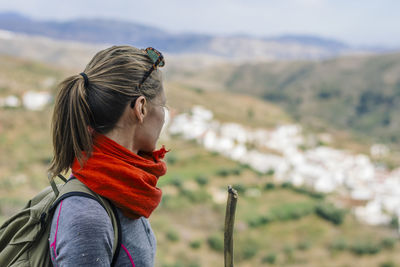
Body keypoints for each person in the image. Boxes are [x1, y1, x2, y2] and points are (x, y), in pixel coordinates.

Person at [47, 45, 169, 266]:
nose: (164, 115)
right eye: (163, 105)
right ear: (141, 108)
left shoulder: (125, 189)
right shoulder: (88, 218)